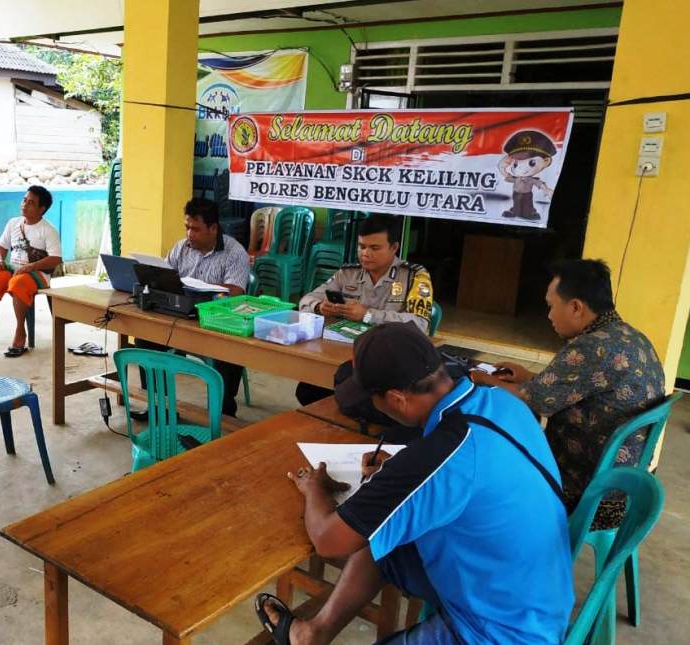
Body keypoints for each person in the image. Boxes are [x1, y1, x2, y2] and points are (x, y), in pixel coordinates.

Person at [257, 322, 574, 644]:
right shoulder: (499, 401)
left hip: (503, 629)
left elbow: (328, 540)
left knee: (361, 529)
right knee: (383, 531)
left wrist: (315, 488)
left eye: (373, 399)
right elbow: (468, 474)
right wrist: (398, 475)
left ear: (396, 399)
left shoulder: (437, 454)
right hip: (539, 591)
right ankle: (313, 633)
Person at [470, 259, 665, 529]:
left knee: (489, 473)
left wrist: (481, 378)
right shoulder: (629, 336)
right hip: (630, 488)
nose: (548, 316)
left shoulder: (592, 347)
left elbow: (537, 400)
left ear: (575, 307)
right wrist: (527, 377)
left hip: (592, 497)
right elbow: (576, 387)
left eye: (551, 306)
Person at [296, 215, 434, 409]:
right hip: (344, 351)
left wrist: (368, 315)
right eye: (362, 247)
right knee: (307, 389)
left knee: (344, 397)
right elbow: (305, 300)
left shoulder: (414, 276)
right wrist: (320, 306)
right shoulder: (348, 273)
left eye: (374, 248)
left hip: (388, 360)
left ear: (394, 247)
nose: (365, 254)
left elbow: (421, 324)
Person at [133, 197, 250, 418]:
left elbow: (235, 292)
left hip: (216, 322)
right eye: (187, 227)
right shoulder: (182, 247)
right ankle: (159, 407)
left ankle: (223, 415)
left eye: (195, 229)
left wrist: (204, 289)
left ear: (213, 228)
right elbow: (165, 274)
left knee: (230, 350)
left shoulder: (235, 253)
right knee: (145, 337)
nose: (189, 234)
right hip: (181, 315)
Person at [0, 185, 61, 355]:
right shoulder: (13, 223)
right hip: (13, 269)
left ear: (41, 209)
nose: (24, 204)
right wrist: (0, 260)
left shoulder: (48, 230)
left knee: (18, 284)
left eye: (31, 203)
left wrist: (31, 266)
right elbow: (1, 246)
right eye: (24, 200)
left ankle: (20, 332)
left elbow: (55, 258)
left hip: (38, 274)